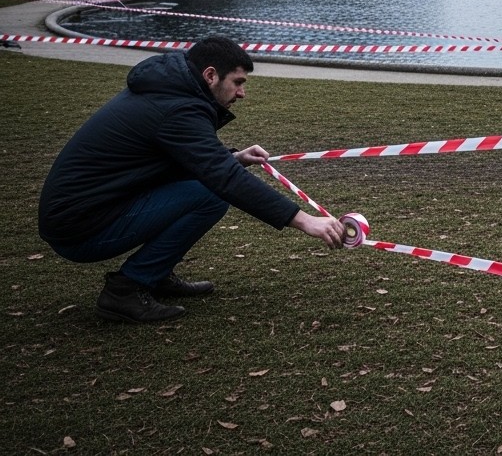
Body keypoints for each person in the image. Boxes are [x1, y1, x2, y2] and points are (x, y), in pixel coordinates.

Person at [38, 36, 345, 323]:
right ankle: (125, 290)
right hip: (79, 228)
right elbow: (222, 178)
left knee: (204, 189)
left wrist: (233, 157)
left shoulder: (170, 91)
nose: (241, 92)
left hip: (90, 211)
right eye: (237, 82)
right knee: (210, 195)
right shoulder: (178, 108)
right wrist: (305, 220)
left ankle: (154, 274)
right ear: (211, 75)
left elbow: (177, 157)